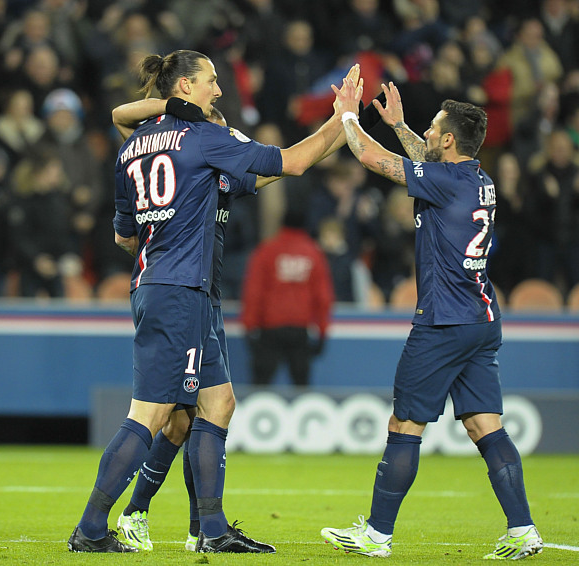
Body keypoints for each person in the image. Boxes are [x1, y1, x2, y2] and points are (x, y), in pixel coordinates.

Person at [67, 49, 356, 554]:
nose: (218, 90)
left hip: (168, 286)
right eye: (210, 81)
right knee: (151, 413)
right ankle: (91, 528)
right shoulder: (205, 139)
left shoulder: (133, 147)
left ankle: (213, 530)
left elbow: (123, 238)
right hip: (179, 292)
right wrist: (341, 118)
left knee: (218, 403)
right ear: (183, 87)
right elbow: (293, 162)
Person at [320, 78, 543, 560]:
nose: (427, 132)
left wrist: (349, 116)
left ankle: (376, 536)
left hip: (444, 321)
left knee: (404, 426)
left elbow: (372, 160)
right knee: (487, 426)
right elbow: (427, 162)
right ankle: (523, 528)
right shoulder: (477, 180)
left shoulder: (444, 181)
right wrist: (399, 124)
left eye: (432, 128)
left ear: (447, 139)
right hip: (482, 318)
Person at [242, 208, 335, 385]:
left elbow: (253, 292)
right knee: (301, 388)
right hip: (299, 330)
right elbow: (323, 298)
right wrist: (323, 331)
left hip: (270, 329)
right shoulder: (313, 253)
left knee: (260, 387)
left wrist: (249, 326)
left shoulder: (267, 251)